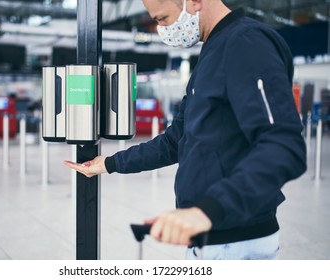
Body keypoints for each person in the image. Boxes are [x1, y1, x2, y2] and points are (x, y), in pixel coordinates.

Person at [64, 0, 306, 260]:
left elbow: (283, 145)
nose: (161, 29)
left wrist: (208, 210)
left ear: (195, 1)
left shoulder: (247, 43)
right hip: (210, 240)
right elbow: (175, 140)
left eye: (162, 18)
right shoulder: (213, 50)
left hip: (235, 242)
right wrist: (110, 163)